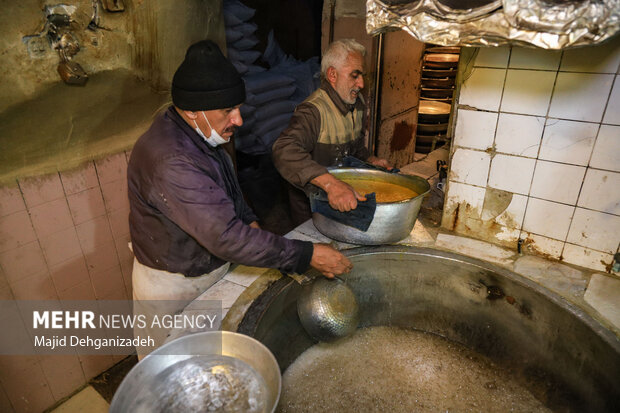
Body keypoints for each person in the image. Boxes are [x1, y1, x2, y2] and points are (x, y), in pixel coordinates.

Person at [127, 40, 352, 355]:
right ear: (193, 110)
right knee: (174, 377)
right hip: (176, 286)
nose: (239, 120)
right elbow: (225, 237)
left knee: (215, 362)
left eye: (238, 108)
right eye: (228, 110)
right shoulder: (172, 161)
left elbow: (231, 192)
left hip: (209, 270)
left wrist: (251, 222)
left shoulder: (202, 133)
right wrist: (307, 255)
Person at [272, 38, 392, 225]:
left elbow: (355, 148)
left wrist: (371, 160)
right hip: (313, 208)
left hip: (343, 200)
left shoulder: (356, 103)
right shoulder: (313, 111)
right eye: (355, 75)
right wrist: (331, 184)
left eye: (362, 76)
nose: (361, 83)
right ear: (332, 75)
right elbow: (284, 150)